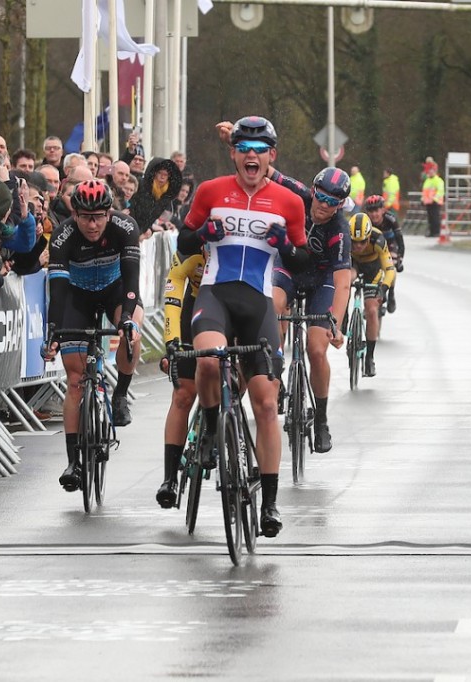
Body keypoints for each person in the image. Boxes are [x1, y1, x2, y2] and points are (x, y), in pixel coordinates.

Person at [176, 115, 309, 537]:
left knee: (266, 404)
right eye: (243, 149)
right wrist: (202, 236)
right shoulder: (211, 191)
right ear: (233, 153)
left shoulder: (290, 201)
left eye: (259, 151)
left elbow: (303, 259)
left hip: (258, 303)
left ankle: (269, 502)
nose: (251, 157)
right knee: (211, 363)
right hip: (215, 296)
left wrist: (285, 245)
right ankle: (214, 428)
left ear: (271, 156)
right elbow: (183, 241)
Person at [44, 180, 143, 492]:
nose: (92, 224)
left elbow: (131, 284)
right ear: (75, 215)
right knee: (75, 381)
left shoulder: (125, 227)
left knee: (132, 331)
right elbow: (57, 293)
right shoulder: (62, 236)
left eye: (99, 216)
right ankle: (73, 461)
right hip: (77, 296)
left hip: (116, 291)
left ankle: (121, 393)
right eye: (85, 217)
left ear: (109, 212)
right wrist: (54, 332)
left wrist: (126, 319)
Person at [268, 165, 352, 453]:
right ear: (313, 191)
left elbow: (342, 283)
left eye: (331, 203)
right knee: (274, 306)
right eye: (319, 197)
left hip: (322, 280)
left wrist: (336, 325)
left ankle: (321, 419)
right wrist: (234, 139)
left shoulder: (340, 231)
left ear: (340, 205)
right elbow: (266, 170)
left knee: (316, 349)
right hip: (290, 268)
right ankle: (275, 373)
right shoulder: (300, 195)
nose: (322, 206)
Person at [155, 249, 206, 507]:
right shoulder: (191, 245)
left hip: (236, 306)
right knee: (184, 394)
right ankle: (169, 478)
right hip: (196, 307)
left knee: (239, 373)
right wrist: (171, 343)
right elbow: (173, 295)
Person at [348, 213, 395, 378]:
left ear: (369, 237)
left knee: (372, 309)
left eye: (362, 242)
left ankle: (369, 357)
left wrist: (384, 289)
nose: (358, 246)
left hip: (372, 269)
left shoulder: (378, 239)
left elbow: (390, 269)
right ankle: (345, 321)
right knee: (346, 279)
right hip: (353, 265)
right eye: (354, 242)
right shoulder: (345, 238)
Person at [361, 194, 404, 313]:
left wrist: (400, 259)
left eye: (376, 210)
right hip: (375, 246)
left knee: (392, 264)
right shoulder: (366, 221)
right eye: (370, 211)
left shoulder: (391, 219)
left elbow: (400, 240)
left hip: (390, 244)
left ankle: (391, 293)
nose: (374, 214)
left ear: (383, 210)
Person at [421, 162, 445, 237]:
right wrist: (422, 199)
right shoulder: (427, 181)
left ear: (435, 171)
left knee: (435, 218)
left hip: (435, 202)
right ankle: (431, 232)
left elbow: (440, 191)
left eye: (432, 171)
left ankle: (436, 232)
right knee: (430, 218)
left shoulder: (438, 180)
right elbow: (425, 192)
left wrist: (435, 199)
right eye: (429, 171)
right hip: (428, 202)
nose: (430, 172)